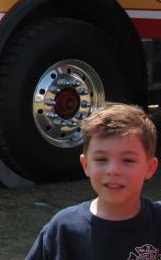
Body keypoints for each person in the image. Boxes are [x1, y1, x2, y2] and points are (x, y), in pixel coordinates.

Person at [26, 103, 161, 260]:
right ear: (86, 165)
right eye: (102, 159)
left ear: (150, 167)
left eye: (128, 160)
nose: (113, 170)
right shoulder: (64, 229)